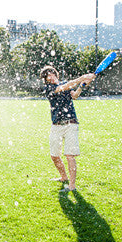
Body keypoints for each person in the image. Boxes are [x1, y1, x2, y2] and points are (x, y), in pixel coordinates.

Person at [40, 65, 95, 193]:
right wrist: (82, 78)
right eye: (47, 76)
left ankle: (72, 185)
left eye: (51, 74)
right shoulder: (49, 89)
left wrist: (81, 85)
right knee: (54, 156)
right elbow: (63, 88)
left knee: (70, 156)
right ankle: (63, 177)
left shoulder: (66, 85)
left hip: (71, 124)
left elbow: (74, 95)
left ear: (55, 74)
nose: (50, 77)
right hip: (56, 126)